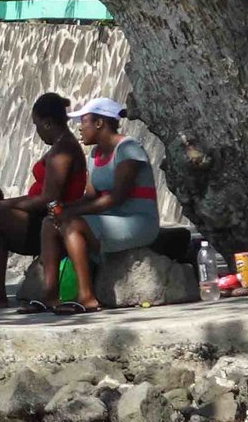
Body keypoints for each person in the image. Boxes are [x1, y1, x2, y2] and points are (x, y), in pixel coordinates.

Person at [0, 92, 88, 312]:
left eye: (37, 125)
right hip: (42, 218)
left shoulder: (63, 151)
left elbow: (48, 199)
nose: (37, 131)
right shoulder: (60, 146)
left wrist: (0, 205)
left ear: (47, 123)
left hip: (51, 223)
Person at [37, 98, 162, 316]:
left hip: (138, 222)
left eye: (83, 121)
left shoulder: (128, 148)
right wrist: (61, 208)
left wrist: (70, 212)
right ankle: (50, 295)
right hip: (109, 222)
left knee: (72, 224)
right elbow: (90, 196)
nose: (79, 127)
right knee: (50, 223)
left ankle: (87, 298)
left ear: (99, 123)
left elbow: (117, 198)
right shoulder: (95, 155)